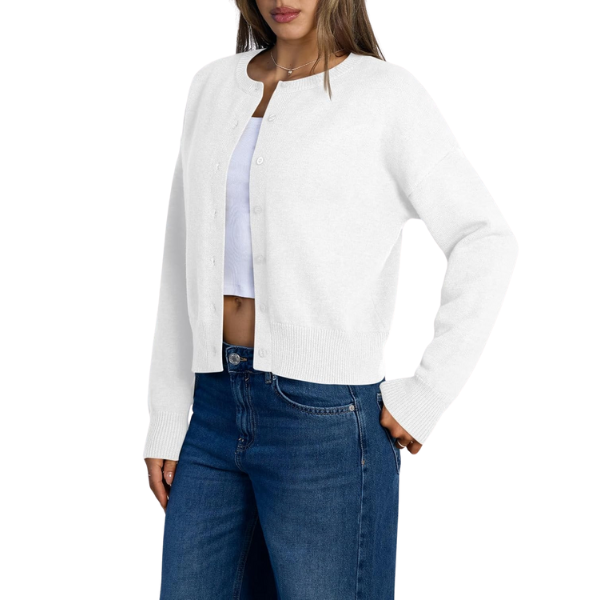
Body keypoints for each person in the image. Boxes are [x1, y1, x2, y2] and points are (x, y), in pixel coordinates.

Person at [143, 1, 519, 598]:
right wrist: (167, 417)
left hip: (324, 421)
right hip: (212, 411)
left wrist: (427, 393)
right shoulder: (211, 86)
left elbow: (485, 237)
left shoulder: (385, 95)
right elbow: (179, 257)